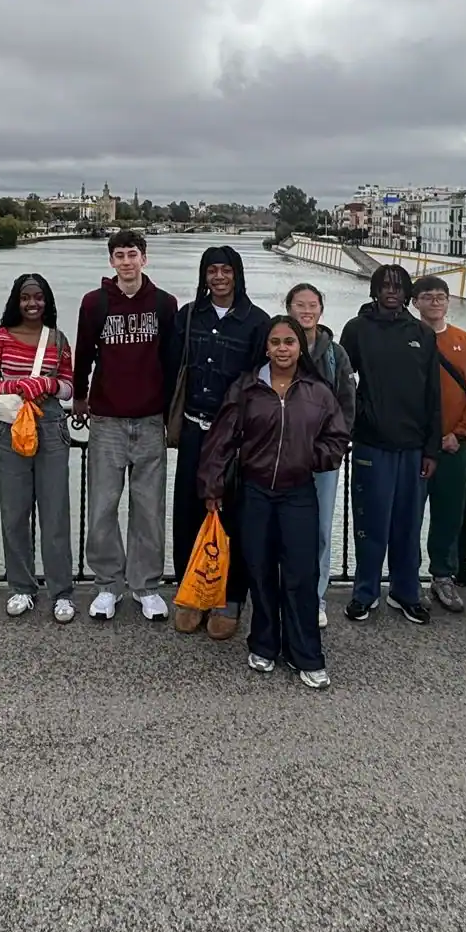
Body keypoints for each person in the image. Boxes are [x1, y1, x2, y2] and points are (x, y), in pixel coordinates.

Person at [198, 317, 351, 690]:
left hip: (298, 492)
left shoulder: (318, 391)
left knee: (301, 574)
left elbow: (337, 437)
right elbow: (221, 438)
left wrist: (311, 458)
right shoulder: (247, 388)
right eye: (276, 342)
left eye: (289, 342)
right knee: (260, 571)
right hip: (255, 492)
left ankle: (306, 654)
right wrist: (212, 486)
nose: (283, 348)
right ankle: (264, 644)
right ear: (266, 348)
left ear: (299, 347)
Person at [74, 229, 181, 623]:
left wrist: (170, 412)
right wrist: (80, 397)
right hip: (107, 420)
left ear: (144, 259)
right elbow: (84, 354)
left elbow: (172, 361)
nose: (126, 262)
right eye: (119, 255)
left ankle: (146, 585)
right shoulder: (95, 303)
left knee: (149, 508)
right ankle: (107, 584)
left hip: (151, 419)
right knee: (103, 506)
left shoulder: (165, 304)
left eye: (132, 254)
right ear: (111, 261)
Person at [169, 246, 271, 639]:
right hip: (194, 427)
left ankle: (229, 597)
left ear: (237, 274)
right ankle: (192, 591)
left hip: (235, 435)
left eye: (226, 270)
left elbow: (261, 381)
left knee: (233, 516)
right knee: (189, 512)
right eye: (211, 270)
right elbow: (171, 367)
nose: (219, 277)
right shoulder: (188, 316)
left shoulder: (256, 322)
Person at [338, 264, 442, 624]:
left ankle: (405, 592)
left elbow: (433, 395)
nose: (392, 292)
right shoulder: (356, 329)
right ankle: (365, 593)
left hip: (413, 447)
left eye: (398, 286)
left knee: (408, 525)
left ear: (407, 292)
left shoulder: (422, 334)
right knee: (370, 522)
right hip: (371, 443)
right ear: (375, 290)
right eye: (385, 285)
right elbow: (342, 381)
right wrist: (357, 418)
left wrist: (431, 449)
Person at [0, 273, 77, 622]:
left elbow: (69, 388)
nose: (32, 303)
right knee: (14, 513)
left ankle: (61, 592)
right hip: (10, 430)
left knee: (55, 514)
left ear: (46, 301)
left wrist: (47, 384)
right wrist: (16, 385)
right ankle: (21, 587)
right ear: (16, 301)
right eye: (25, 297)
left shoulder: (58, 339)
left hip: (50, 428)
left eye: (38, 297)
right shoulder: (1, 337)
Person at [413, 275, 466, 614]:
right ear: (415, 302)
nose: (435, 302)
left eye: (440, 296)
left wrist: (461, 433)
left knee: (449, 512)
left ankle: (442, 575)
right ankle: (408, 576)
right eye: (427, 296)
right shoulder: (404, 339)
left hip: (454, 445)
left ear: (448, 301)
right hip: (413, 446)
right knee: (409, 514)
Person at [286, 282, 355, 628]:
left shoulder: (335, 354)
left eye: (312, 305)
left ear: (321, 310)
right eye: (300, 305)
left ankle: (316, 596)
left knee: (321, 528)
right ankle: (285, 593)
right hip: (282, 455)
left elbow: (348, 403)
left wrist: (336, 445)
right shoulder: (278, 346)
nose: (306, 311)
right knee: (283, 525)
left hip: (324, 456)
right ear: (289, 309)